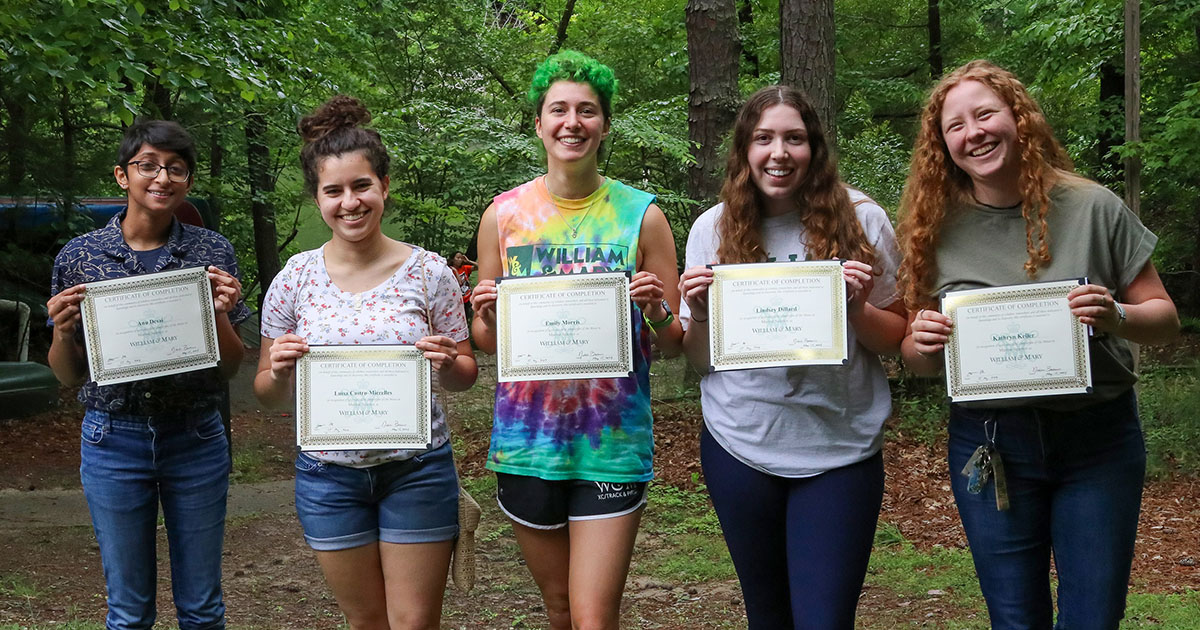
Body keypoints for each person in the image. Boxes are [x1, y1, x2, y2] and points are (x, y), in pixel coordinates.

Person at [897, 60, 1180, 629]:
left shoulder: (1093, 206)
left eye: (984, 114)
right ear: (942, 144)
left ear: (1018, 118)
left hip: (1097, 440)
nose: (972, 133)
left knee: (1093, 619)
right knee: (1015, 621)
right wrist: (921, 342)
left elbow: (1165, 317)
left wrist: (1117, 314)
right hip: (991, 442)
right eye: (955, 126)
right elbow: (917, 360)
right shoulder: (932, 228)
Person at [676, 85, 907, 629]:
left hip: (839, 449)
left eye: (794, 139)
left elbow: (896, 336)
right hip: (740, 442)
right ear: (744, 151)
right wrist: (701, 312)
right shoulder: (712, 228)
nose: (779, 153)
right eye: (764, 139)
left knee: (825, 620)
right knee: (767, 616)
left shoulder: (863, 220)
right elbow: (701, 361)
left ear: (815, 148)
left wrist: (854, 308)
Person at [469, 50, 684, 630]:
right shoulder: (504, 216)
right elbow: (487, 341)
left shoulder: (642, 216)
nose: (572, 122)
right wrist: (484, 314)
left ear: (605, 124)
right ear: (538, 123)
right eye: (558, 109)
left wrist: (657, 309)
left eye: (587, 111)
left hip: (610, 442)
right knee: (559, 608)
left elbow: (677, 342)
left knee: (592, 615)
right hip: (528, 442)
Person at [253, 96, 477, 630]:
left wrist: (447, 363)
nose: (349, 202)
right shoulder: (294, 278)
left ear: (384, 187)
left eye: (361, 186)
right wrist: (280, 370)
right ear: (317, 198)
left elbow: (465, 374)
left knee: (414, 622)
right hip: (328, 477)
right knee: (365, 622)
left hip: (417, 471)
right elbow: (266, 391)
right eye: (334, 191)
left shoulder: (430, 272)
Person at [46, 120, 249, 630]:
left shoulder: (211, 252)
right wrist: (61, 333)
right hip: (113, 439)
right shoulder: (80, 257)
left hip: (196, 436)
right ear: (123, 175)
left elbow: (229, 367)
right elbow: (69, 377)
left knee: (202, 609)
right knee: (128, 611)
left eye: (176, 168)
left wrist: (221, 312)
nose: (162, 177)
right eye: (149, 165)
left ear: (188, 180)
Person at [448, 251, 476, 319]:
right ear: (452, 259)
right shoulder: (449, 270)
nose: (460, 260)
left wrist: (469, 261)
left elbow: (479, 267)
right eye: (458, 258)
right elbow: (460, 283)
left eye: (461, 258)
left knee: (470, 316)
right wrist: (456, 271)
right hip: (459, 300)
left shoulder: (464, 268)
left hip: (468, 297)